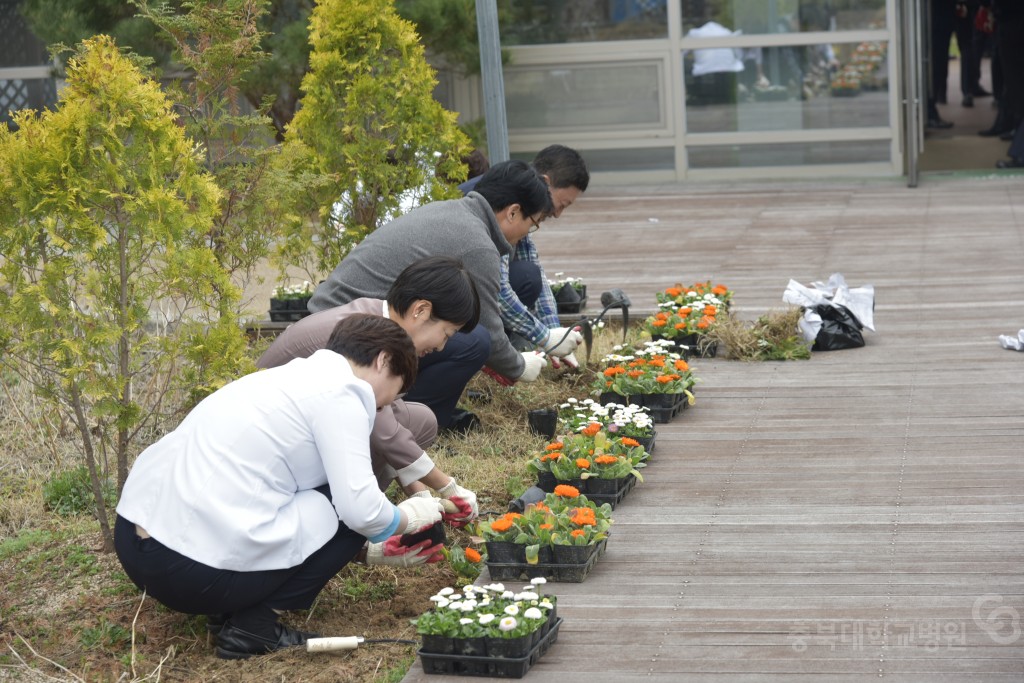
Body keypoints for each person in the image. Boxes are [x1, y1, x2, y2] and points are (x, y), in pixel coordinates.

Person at [114, 315, 447, 660]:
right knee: (342, 507)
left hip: (134, 543)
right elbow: (358, 508)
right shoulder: (345, 392)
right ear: (382, 361)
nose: (383, 407)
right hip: (188, 572)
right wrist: (406, 518)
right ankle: (252, 628)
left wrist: (366, 549)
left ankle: (226, 609)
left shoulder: (283, 378)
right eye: (392, 394)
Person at [308, 159, 554, 430]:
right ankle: (414, 421)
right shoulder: (478, 245)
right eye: (533, 223)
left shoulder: (455, 211)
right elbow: (490, 330)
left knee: (514, 285)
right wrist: (519, 365)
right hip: (344, 333)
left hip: (330, 316)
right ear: (513, 212)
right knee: (475, 342)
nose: (528, 233)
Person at [258, 256, 482, 515]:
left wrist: (419, 494)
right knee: (379, 431)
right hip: (277, 446)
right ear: (420, 310)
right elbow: (383, 431)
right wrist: (449, 488)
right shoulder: (368, 338)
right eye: (447, 333)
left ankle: (362, 503)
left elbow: (386, 418)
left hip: (308, 424)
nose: (441, 347)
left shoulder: (377, 319)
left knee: (419, 419)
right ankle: (344, 515)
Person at [499, 145, 590, 371]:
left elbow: (533, 268)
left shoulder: (521, 202)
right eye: (563, 204)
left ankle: (505, 343)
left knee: (528, 275)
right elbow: (497, 289)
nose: (558, 213)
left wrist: (556, 336)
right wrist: (545, 337)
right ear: (546, 182)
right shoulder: (503, 201)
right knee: (526, 276)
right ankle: (495, 351)